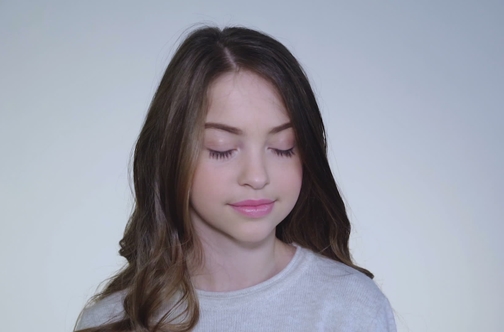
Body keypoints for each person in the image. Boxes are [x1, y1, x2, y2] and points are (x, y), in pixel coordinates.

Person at [74, 26, 396, 332]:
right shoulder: (110, 321)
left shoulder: (352, 307)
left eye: (283, 148)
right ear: (172, 155)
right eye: (222, 149)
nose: (257, 177)